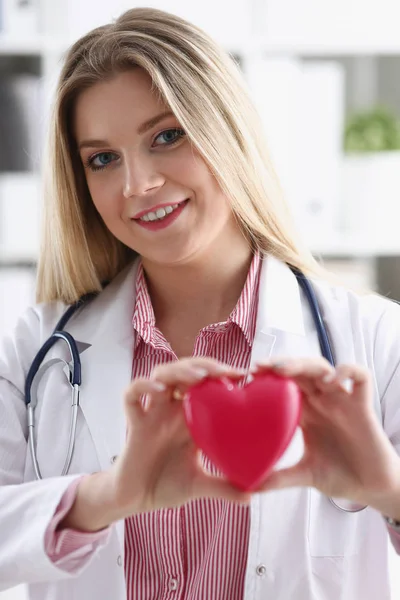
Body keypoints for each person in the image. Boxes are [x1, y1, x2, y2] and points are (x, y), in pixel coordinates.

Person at [0, 6, 400, 600]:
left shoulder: (376, 340)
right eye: (102, 159)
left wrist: (390, 494)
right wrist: (107, 497)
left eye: (167, 136)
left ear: (226, 131)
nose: (137, 184)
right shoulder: (36, 349)